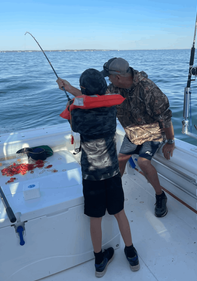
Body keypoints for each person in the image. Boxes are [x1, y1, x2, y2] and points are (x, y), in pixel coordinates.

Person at [57, 69, 140, 278]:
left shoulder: (76, 111)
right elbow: (93, 99)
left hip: (91, 174)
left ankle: (99, 261)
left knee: (95, 218)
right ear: (103, 89)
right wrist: (70, 88)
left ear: (83, 89)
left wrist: (70, 97)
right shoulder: (111, 108)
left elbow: (80, 109)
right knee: (119, 212)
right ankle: (131, 254)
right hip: (111, 172)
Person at [101, 58, 175, 218]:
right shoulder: (113, 88)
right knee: (120, 160)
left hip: (152, 132)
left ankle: (160, 196)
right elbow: (97, 99)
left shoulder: (148, 89)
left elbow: (166, 118)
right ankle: (115, 193)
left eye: (109, 76)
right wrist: (71, 89)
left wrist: (170, 142)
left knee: (143, 162)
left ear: (118, 77)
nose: (109, 80)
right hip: (133, 132)